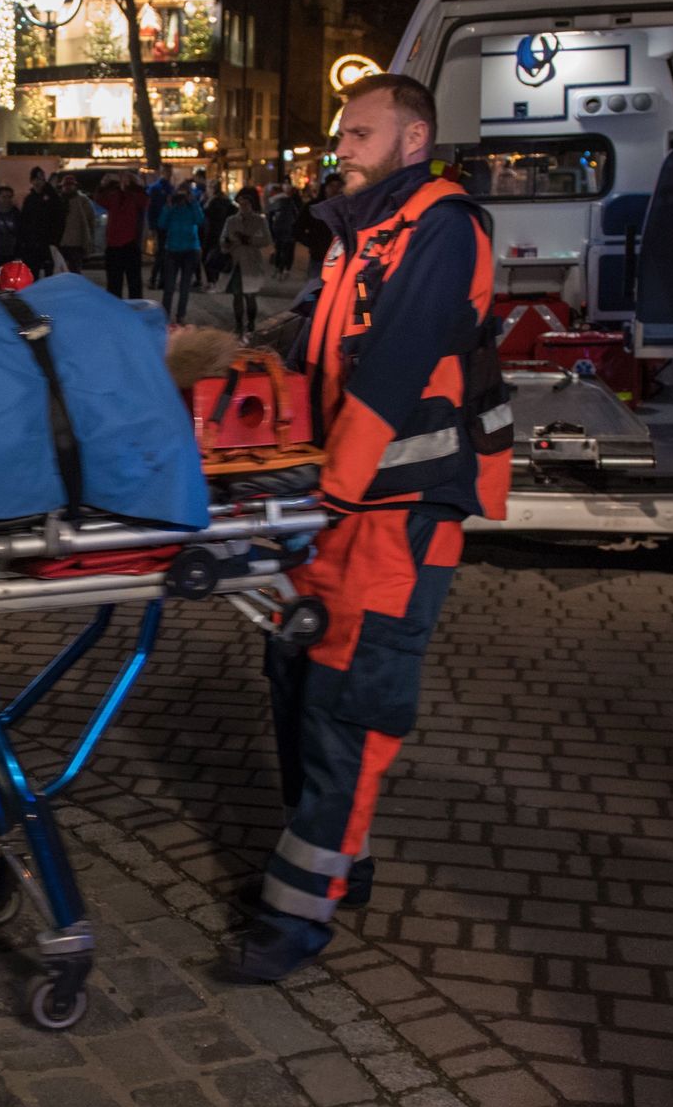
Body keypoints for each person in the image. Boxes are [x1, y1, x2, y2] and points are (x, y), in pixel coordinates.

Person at [217, 74, 508, 985]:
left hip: (396, 513)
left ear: (412, 137)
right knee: (296, 675)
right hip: (337, 506)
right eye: (341, 132)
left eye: (358, 132)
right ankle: (345, 861)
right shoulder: (361, 234)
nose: (339, 146)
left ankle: (294, 919)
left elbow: (391, 373)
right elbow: (314, 348)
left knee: (350, 703)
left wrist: (328, 496)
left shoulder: (442, 228)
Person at [154, 182, 207, 323]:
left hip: (190, 250)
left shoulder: (192, 207)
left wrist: (194, 203)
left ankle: (180, 316)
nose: (181, 197)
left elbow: (200, 220)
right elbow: (161, 224)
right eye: (180, 194)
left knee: (185, 286)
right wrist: (167, 207)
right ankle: (165, 316)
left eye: (185, 194)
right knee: (169, 287)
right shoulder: (172, 208)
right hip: (172, 250)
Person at [222, 186, 271, 335]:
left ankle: (250, 322)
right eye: (241, 203)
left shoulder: (259, 220)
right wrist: (227, 243)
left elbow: (266, 240)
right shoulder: (231, 220)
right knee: (237, 295)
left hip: (251, 262)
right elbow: (223, 239)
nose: (243, 206)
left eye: (246, 203)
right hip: (236, 262)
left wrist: (249, 239)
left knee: (250, 296)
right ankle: (238, 324)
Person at [99, 173, 146, 300]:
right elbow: (99, 198)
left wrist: (135, 186)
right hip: (115, 245)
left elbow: (145, 201)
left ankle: (134, 310)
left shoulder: (135, 197)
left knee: (133, 283)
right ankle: (117, 311)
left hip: (129, 244)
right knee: (114, 284)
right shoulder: (114, 195)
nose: (124, 182)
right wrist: (104, 185)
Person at [17, 167, 62, 277]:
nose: (38, 182)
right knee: (33, 272)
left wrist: (54, 239)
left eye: (41, 179)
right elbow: (24, 221)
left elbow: (58, 219)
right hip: (32, 243)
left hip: (47, 241)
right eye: (36, 179)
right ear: (31, 181)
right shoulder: (30, 199)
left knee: (50, 272)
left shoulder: (52, 197)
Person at [58, 174, 96, 274]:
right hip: (61, 242)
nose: (68, 187)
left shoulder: (83, 201)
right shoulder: (58, 200)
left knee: (74, 271)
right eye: (66, 185)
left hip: (76, 243)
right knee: (62, 271)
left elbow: (90, 220)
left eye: (70, 185)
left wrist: (88, 239)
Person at [268, 183, 300, 276]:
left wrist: (271, 230)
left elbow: (270, 217)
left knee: (279, 249)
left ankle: (279, 268)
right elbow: (297, 215)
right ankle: (286, 268)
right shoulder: (291, 201)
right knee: (288, 249)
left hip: (279, 229)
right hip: (289, 229)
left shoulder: (275, 202)